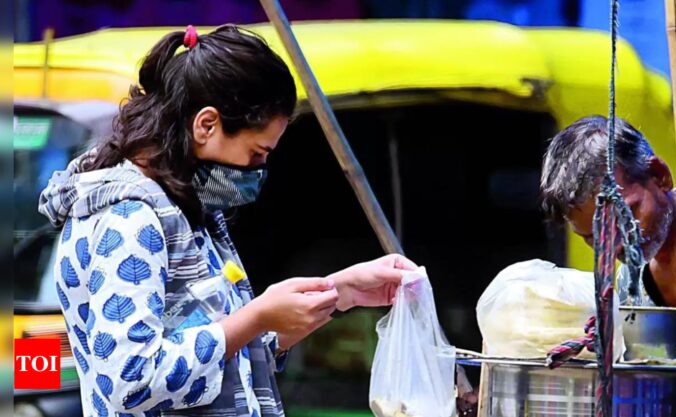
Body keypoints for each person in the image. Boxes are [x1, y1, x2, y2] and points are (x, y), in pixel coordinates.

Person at [39, 25, 417, 417]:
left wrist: (339, 292)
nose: (261, 168)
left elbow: (227, 355)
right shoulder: (131, 220)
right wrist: (256, 316)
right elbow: (132, 380)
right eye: (256, 153)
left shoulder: (190, 210)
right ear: (206, 124)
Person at [539, 115, 676, 417]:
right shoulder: (630, 284)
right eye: (593, 238)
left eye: (626, 218)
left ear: (659, 175)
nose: (614, 247)